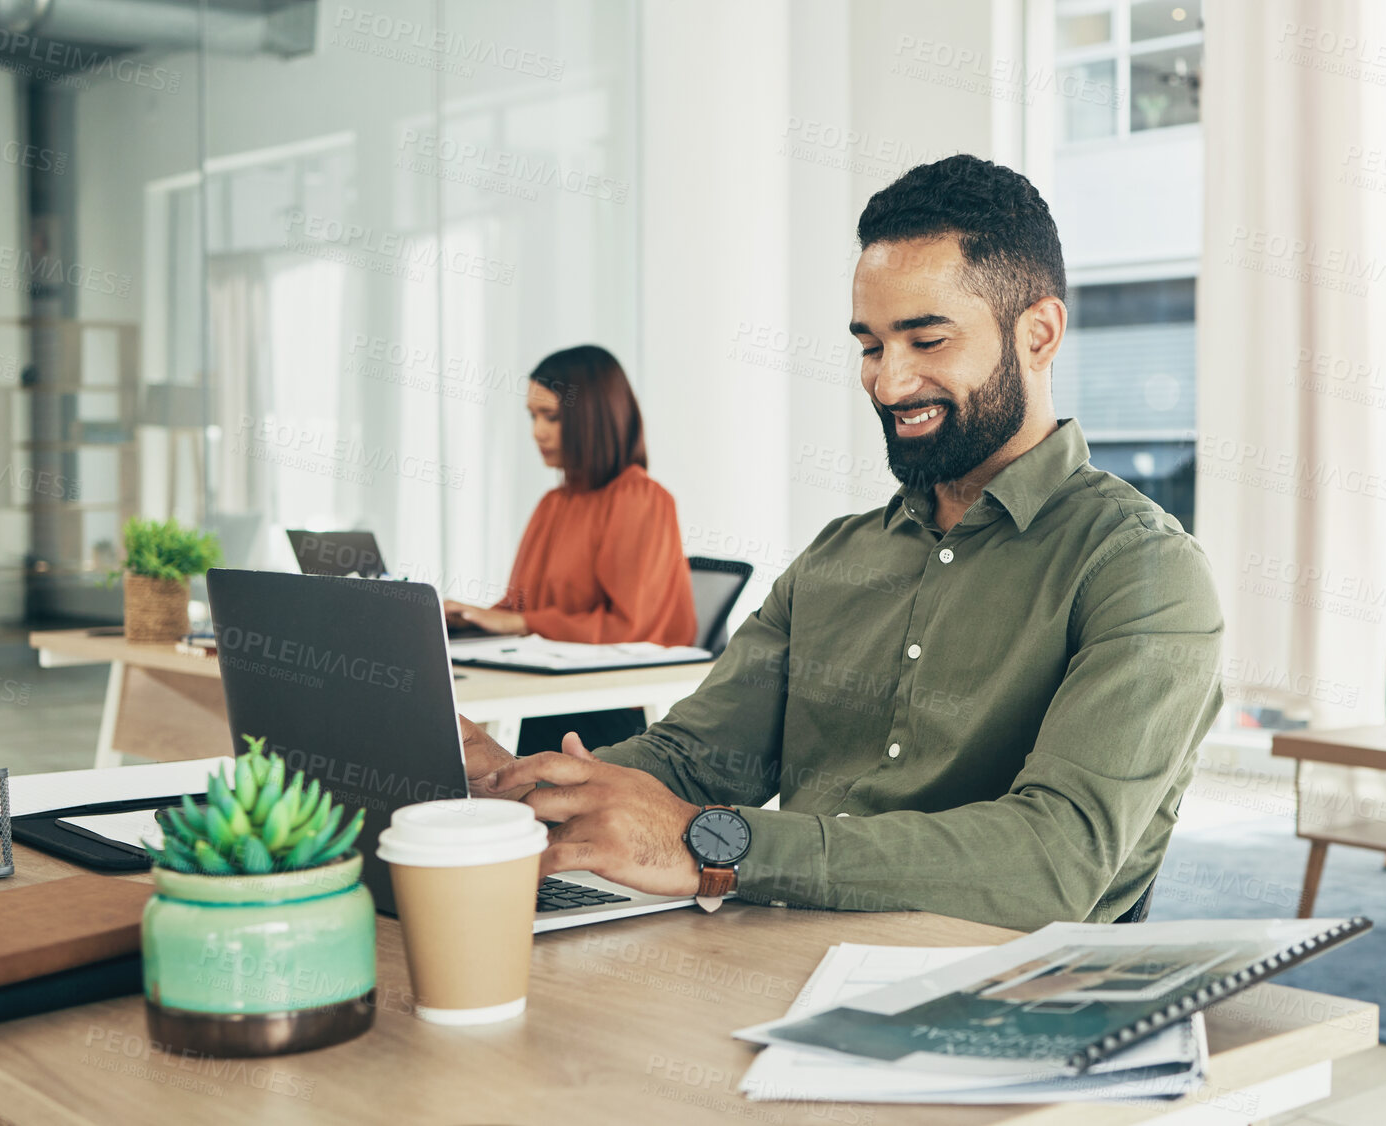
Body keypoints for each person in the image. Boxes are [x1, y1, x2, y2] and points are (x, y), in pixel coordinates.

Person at [458, 156, 1224, 931]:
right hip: (773, 943)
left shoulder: (1141, 570)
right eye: (870, 346)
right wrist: (511, 784)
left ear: (1038, 334)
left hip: (980, 992)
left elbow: (1052, 859)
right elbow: (694, 760)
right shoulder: (836, 558)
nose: (888, 385)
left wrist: (711, 844)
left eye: (926, 341)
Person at [446, 345, 697, 749]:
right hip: (543, 695)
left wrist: (523, 623)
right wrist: (468, 620)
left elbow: (629, 629)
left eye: (552, 417)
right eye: (532, 416)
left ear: (593, 419)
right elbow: (521, 607)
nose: (537, 432)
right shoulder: (553, 503)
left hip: (602, 713)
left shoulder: (641, 499)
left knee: (455, 748)